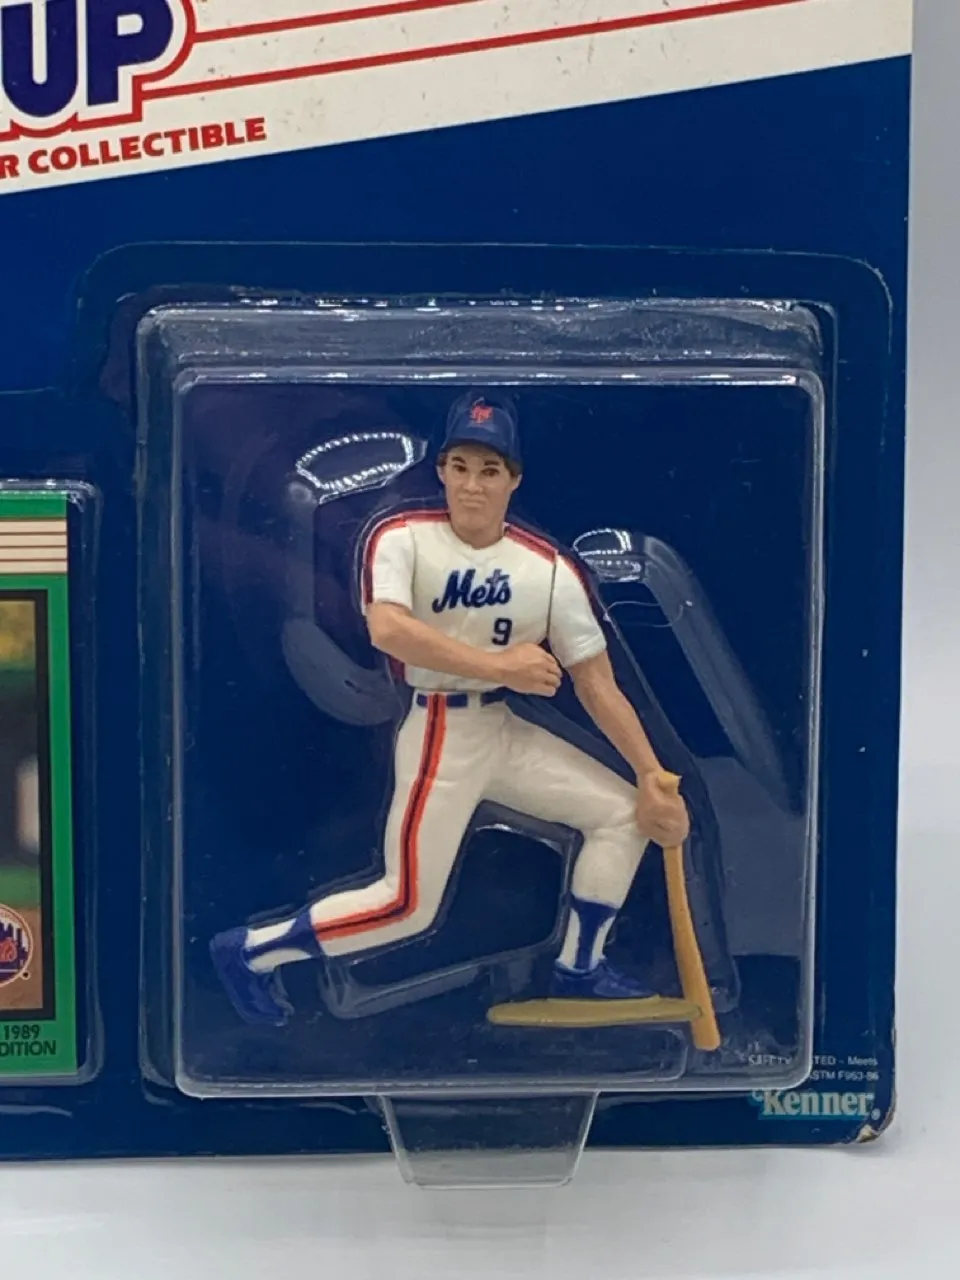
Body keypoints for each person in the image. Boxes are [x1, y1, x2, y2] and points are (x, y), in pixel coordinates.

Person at [211, 390, 690, 1026]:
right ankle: (253, 951)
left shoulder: (546, 569)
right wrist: (501, 667)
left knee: (623, 814)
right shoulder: (403, 538)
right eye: (460, 466)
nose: (471, 484)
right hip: (439, 730)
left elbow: (598, 683)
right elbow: (389, 631)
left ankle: (580, 967)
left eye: (489, 470)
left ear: (513, 480)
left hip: (500, 730)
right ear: (440, 471)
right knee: (406, 905)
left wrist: (652, 775)